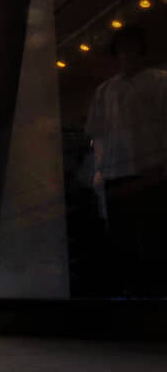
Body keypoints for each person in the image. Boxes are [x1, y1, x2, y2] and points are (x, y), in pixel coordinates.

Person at [86, 25, 167, 297]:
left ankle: (155, 290)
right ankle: (130, 290)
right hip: (116, 172)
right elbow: (98, 134)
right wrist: (99, 169)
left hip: (153, 169)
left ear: (141, 50)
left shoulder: (160, 81)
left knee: (154, 232)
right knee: (122, 236)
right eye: (121, 48)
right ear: (116, 53)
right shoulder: (105, 91)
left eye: (131, 47)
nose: (127, 53)